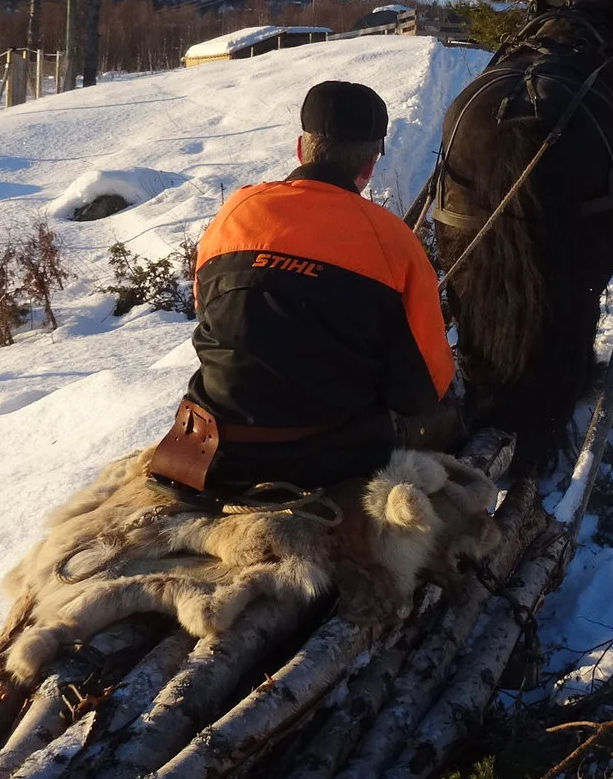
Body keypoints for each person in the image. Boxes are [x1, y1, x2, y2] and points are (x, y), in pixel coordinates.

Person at [146, 80, 454, 496]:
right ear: (368, 165)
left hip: (212, 449)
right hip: (329, 459)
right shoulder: (393, 241)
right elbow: (423, 388)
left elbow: (208, 313)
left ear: (300, 148)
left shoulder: (236, 212)